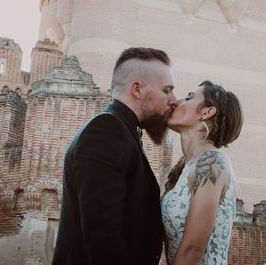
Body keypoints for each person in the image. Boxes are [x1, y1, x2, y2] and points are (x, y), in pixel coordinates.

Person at [52, 47, 176, 265]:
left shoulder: (123, 131)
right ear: (137, 89)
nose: (173, 100)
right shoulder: (106, 131)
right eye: (167, 90)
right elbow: (103, 238)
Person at [161, 81, 244, 264]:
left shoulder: (212, 163)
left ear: (207, 112)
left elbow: (193, 250)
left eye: (189, 97)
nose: (176, 102)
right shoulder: (186, 168)